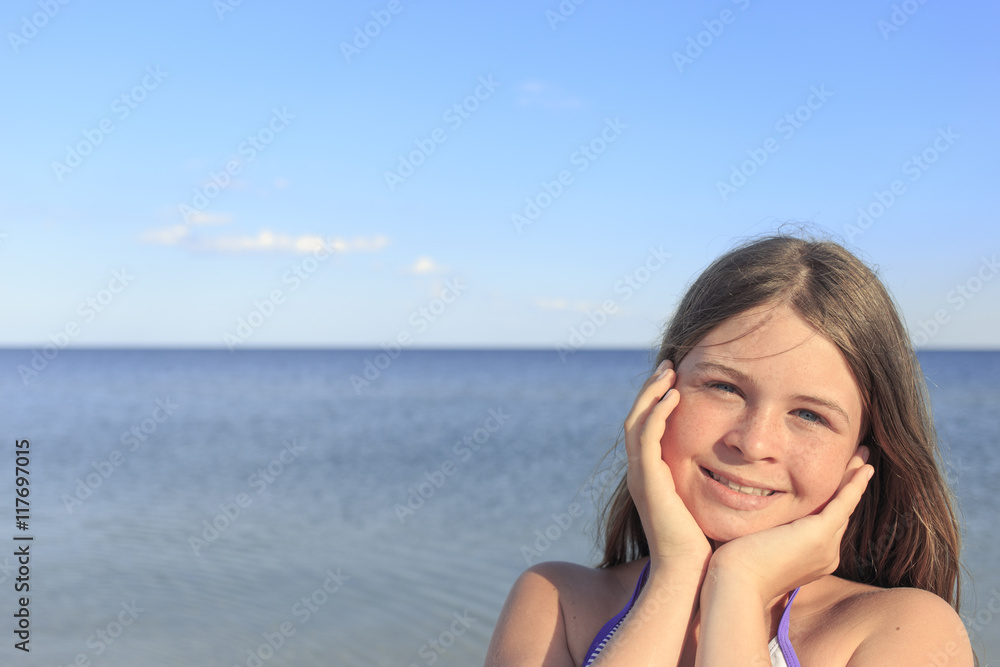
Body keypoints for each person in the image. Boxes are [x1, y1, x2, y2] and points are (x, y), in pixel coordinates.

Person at [485, 234, 974, 666]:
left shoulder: (905, 631)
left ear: (862, 456)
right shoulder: (554, 604)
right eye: (724, 388)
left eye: (810, 416)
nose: (754, 442)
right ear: (657, 395)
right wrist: (677, 573)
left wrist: (738, 585)